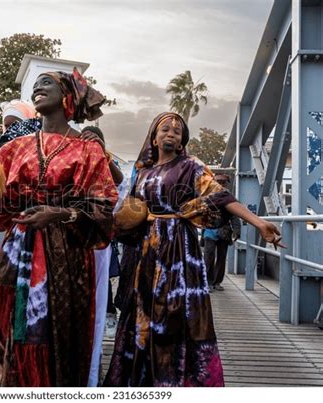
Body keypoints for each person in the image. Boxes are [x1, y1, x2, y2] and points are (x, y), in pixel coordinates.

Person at [0, 68, 118, 387]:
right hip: (16, 254)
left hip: (65, 258)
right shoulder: (14, 149)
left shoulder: (87, 149)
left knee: (53, 331)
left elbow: (103, 209)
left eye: (47, 83)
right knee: (8, 327)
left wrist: (57, 214)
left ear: (67, 95)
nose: (38, 88)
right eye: (36, 85)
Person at [104, 112, 283, 387]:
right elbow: (129, 208)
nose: (172, 133)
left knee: (177, 312)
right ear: (153, 136)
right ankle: (144, 380)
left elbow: (220, 195)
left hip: (179, 249)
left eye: (178, 131)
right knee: (144, 310)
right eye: (165, 129)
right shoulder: (143, 172)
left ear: (182, 141)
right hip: (147, 252)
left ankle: (176, 379)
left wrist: (258, 223)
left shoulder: (191, 166)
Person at [80, 125, 124, 386]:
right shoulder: (72, 156)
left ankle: (92, 369)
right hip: (72, 240)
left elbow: (119, 183)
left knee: (98, 292)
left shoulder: (107, 161)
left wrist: (102, 152)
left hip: (99, 243)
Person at [203, 174, 241, 292]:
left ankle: (217, 282)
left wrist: (236, 231)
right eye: (218, 181)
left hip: (224, 231)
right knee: (208, 257)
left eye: (223, 182)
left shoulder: (229, 197)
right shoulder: (207, 196)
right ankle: (207, 282)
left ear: (226, 183)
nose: (220, 183)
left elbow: (235, 215)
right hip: (209, 231)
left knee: (221, 258)